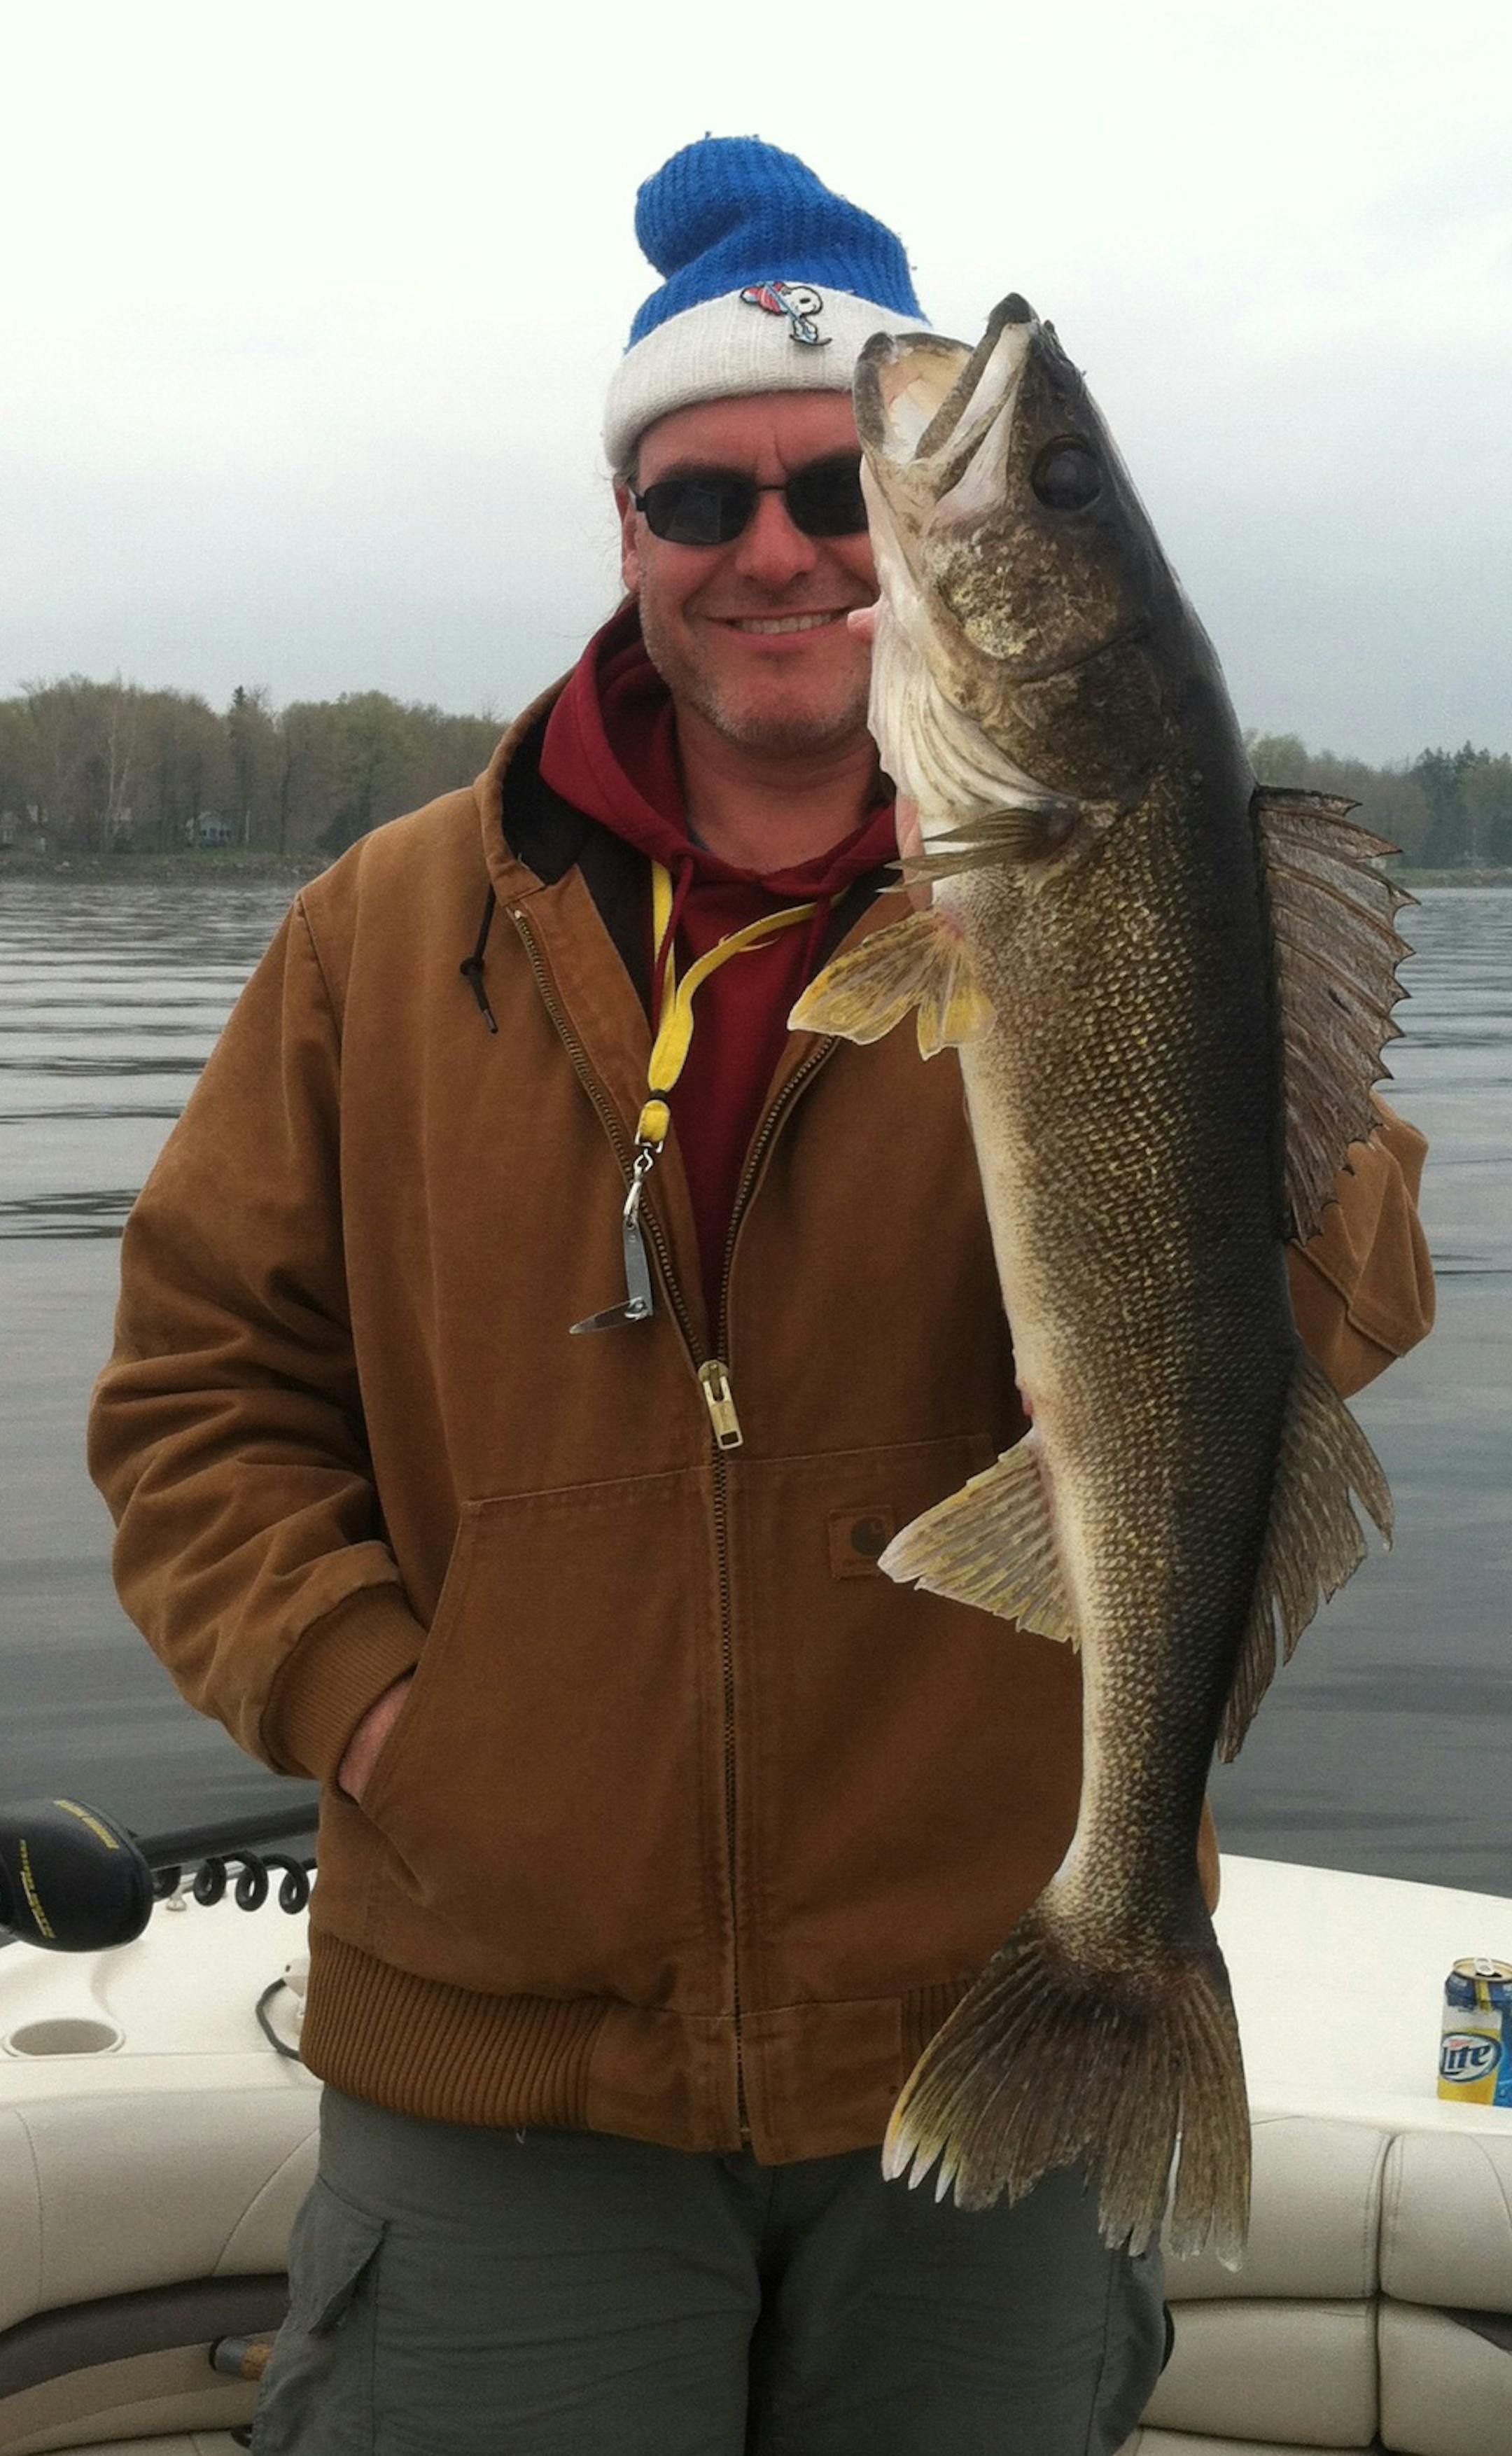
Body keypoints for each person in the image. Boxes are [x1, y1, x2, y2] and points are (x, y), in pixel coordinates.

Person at [88, 137, 1435, 2455]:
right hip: (511, 2056)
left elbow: (1337, 1297)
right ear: (626, 538)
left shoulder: (1111, 868)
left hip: (977, 2014)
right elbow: (198, 1397)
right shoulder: (388, 934)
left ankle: (1132, 1944)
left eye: (833, 481)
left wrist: (1195, 970)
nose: (781, 548)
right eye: (702, 501)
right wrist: (386, 1708)